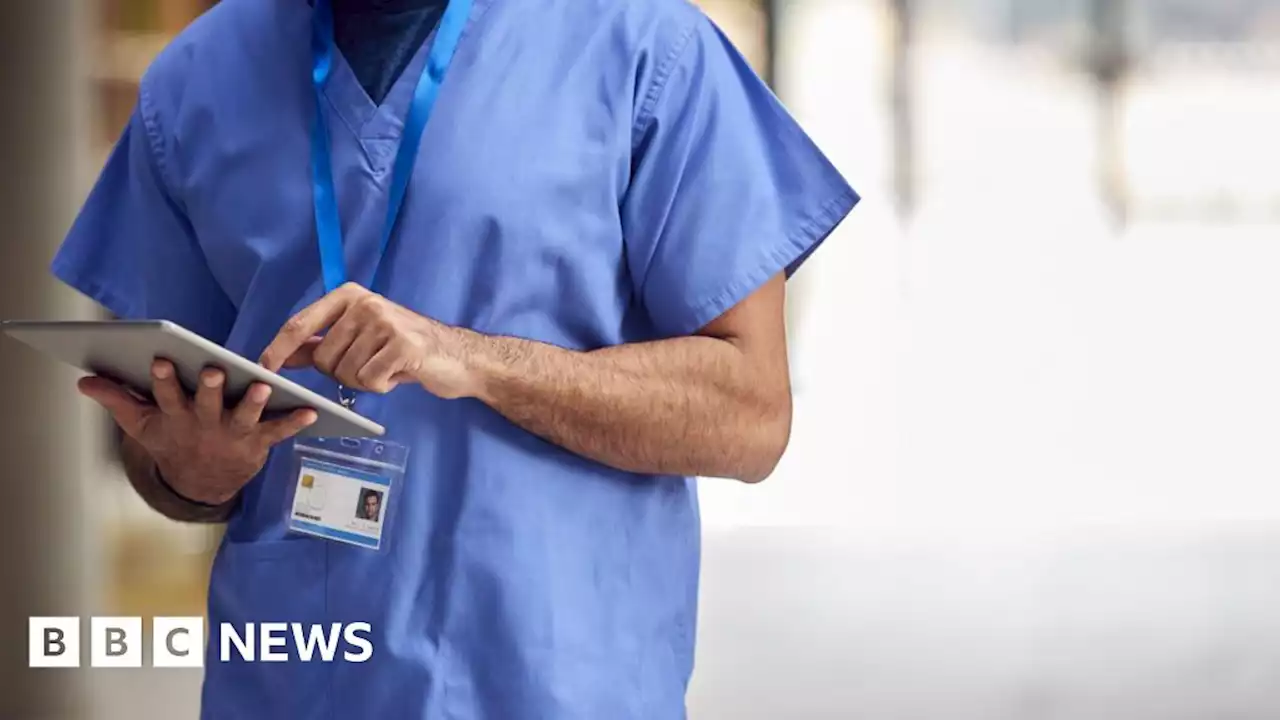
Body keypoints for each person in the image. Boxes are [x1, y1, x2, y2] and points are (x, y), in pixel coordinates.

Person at [54, 0, 858, 717]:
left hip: (554, 682)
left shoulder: (645, 47)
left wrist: (471, 359)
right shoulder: (197, 80)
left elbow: (750, 415)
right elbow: (165, 451)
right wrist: (195, 470)